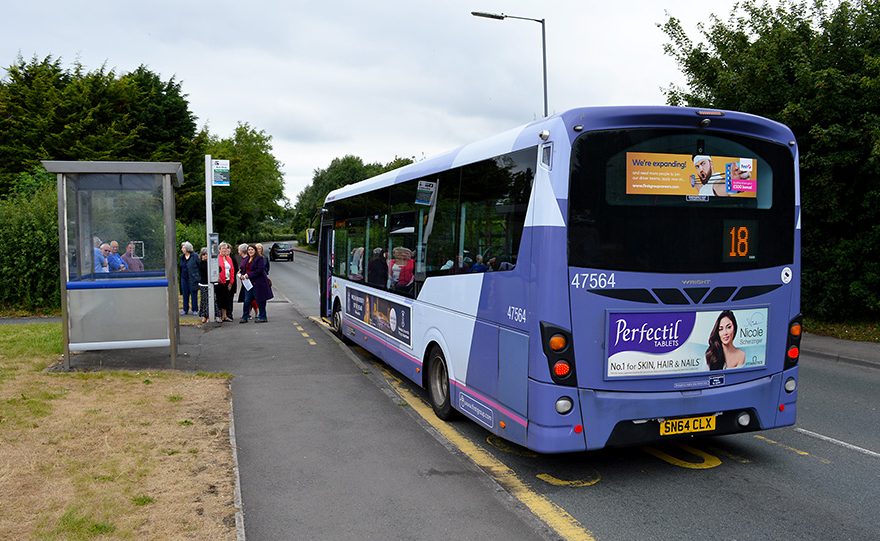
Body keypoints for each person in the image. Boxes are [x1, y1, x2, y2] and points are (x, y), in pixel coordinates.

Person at [239, 244, 272, 323]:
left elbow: (260, 270)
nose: (250, 251)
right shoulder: (246, 259)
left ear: (255, 251)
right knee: (247, 300)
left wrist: (248, 275)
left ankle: (263, 316)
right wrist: (241, 275)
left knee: (260, 300)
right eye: (249, 250)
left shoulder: (259, 258)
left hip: (259, 283)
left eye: (252, 250)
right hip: (248, 284)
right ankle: (245, 317)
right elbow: (242, 268)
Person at [215, 242, 237, 322]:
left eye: (226, 248)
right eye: (223, 248)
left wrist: (231, 282)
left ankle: (225, 316)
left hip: (227, 281)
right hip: (220, 282)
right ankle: (219, 315)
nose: (224, 250)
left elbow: (232, 270)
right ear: (219, 249)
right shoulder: (217, 258)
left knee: (226, 299)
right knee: (219, 299)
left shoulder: (229, 258)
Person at [179, 241, 200, 315]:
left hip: (193, 278)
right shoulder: (182, 257)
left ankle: (195, 309)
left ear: (187, 248)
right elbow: (181, 268)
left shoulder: (195, 256)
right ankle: (185, 309)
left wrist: (197, 277)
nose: (182, 249)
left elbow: (199, 266)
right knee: (185, 294)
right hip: (184, 278)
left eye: (183, 247)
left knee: (194, 294)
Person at [197, 247, 210, 324]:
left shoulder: (210, 263)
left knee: (210, 301)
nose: (205, 256)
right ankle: (204, 315)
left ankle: (209, 315)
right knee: (204, 300)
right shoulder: (200, 263)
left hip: (210, 284)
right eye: (204, 254)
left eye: (206, 254)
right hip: (203, 284)